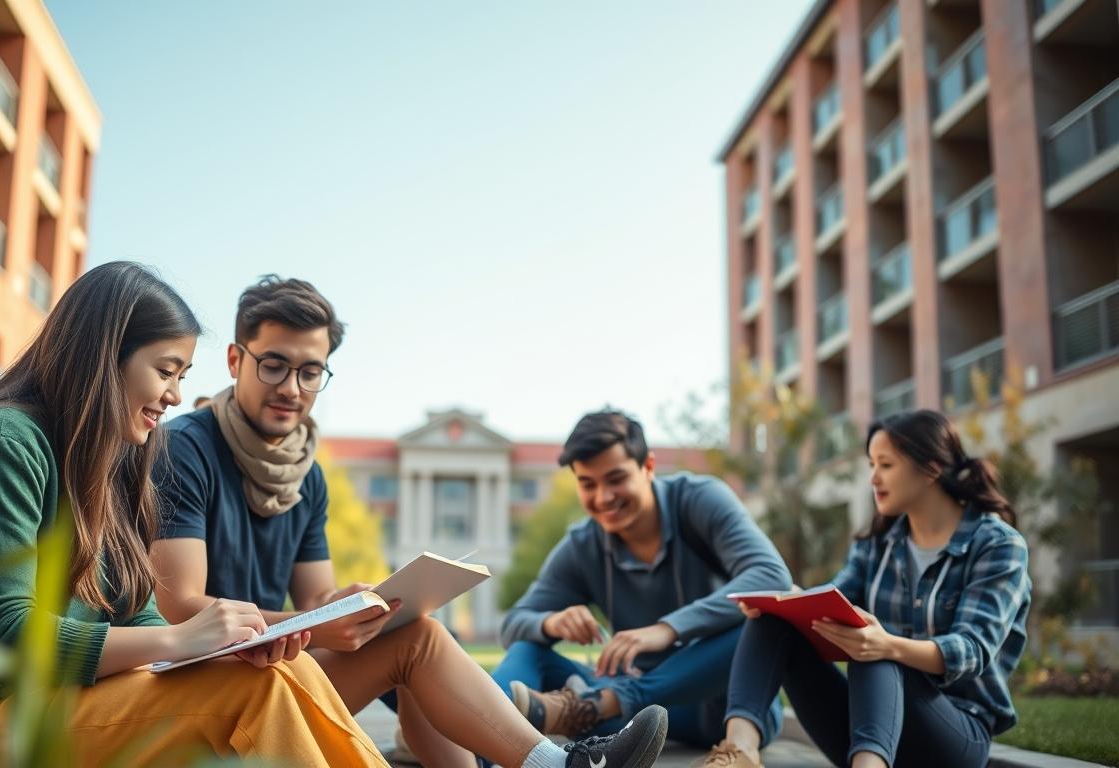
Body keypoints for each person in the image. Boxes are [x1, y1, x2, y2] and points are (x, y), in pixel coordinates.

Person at [0, 262, 387, 766]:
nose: (176, 396)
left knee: (293, 673)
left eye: (182, 375)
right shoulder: (3, 443)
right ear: (103, 357)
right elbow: (4, 634)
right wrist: (178, 637)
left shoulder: (108, 462)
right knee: (254, 695)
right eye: (165, 371)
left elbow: (133, 610)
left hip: (57, 704)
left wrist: (216, 648)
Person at [150, 275, 670, 768]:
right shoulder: (185, 449)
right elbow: (182, 609)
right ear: (236, 359)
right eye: (274, 365)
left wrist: (353, 607)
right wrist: (318, 624)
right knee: (415, 642)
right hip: (200, 690)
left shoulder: (306, 476)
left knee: (409, 633)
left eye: (310, 372)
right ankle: (556, 764)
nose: (292, 387)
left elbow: (313, 603)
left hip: (267, 672)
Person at [700, 410, 1031, 768]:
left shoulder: (997, 545)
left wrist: (888, 645)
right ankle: (738, 754)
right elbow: (829, 603)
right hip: (868, 733)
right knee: (773, 619)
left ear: (931, 468)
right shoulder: (878, 543)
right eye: (871, 464)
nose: (873, 477)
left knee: (876, 649)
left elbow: (973, 649)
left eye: (885, 464)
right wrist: (786, 603)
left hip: (954, 740)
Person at [494, 409, 790, 748]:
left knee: (761, 615)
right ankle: (482, 753)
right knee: (528, 648)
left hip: (728, 706)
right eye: (588, 484)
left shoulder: (699, 499)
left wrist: (667, 630)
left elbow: (773, 576)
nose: (604, 497)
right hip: (639, 714)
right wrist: (551, 622)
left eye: (616, 478)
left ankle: (602, 703)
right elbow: (514, 623)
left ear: (648, 467)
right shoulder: (582, 546)